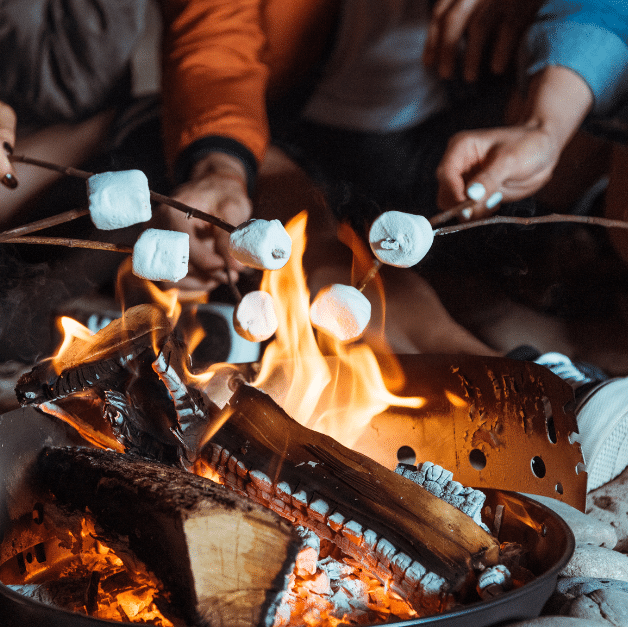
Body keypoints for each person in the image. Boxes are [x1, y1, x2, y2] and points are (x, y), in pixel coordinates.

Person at [155, 0, 628, 292]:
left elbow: (602, 15)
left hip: (471, 121)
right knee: (319, 242)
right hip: (304, 129)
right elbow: (215, 41)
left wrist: (544, 126)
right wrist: (221, 168)